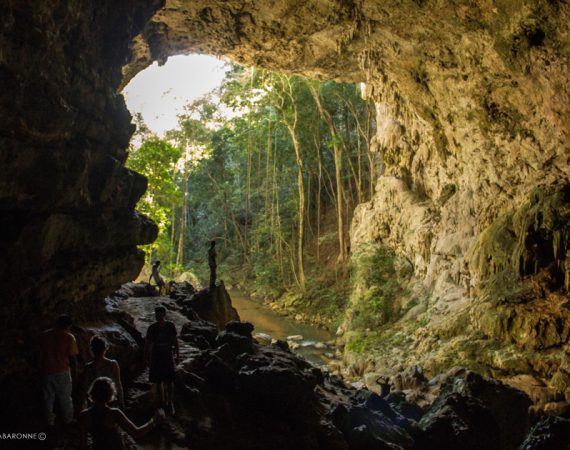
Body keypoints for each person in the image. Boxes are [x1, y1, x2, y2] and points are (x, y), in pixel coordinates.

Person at [79, 377, 163, 450]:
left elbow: (83, 444)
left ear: (93, 393)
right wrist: (154, 420)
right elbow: (137, 432)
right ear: (110, 394)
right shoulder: (114, 413)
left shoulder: (84, 415)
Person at [39, 314, 79, 426]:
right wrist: (75, 374)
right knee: (65, 398)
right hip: (63, 371)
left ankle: (49, 421)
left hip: (46, 371)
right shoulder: (69, 337)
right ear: (68, 325)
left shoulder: (44, 335)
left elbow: (38, 354)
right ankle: (68, 420)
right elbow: (72, 358)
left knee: (48, 398)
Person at [144, 306, 180, 415]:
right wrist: (146, 357)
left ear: (164, 314)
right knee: (158, 381)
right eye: (156, 314)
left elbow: (175, 341)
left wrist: (178, 354)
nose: (157, 316)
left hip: (167, 355)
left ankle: (169, 402)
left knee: (169, 381)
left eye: (159, 314)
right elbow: (148, 344)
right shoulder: (152, 328)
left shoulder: (170, 326)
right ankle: (162, 402)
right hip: (157, 356)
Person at [79, 336, 125, 409]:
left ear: (92, 350)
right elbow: (118, 384)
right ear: (105, 349)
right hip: (110, 400)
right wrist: (121, 401)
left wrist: (83, 403)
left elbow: (85, 388)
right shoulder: (113, 364)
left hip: (94, 403)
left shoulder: (88, 367)